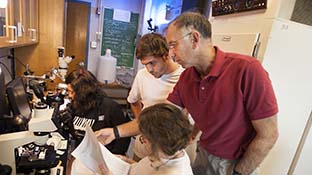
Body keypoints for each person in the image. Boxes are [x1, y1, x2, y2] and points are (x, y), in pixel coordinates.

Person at [165, 12, 279, 175]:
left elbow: (269, 135)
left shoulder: (247, 70)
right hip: (203, 154)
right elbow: (165, 113)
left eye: (173, 45)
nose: (171, 54)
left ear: (195, 39)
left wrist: (238, 173)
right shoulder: (187, 77)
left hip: (237, 164)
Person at [96, 33, 186, 159]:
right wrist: (144, 125)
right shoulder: (142, 75)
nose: (149, 69)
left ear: (166, 55)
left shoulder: (185, 77)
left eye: (152, 63)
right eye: (145, 64)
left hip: (171, 149)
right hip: (144, 144)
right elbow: (133, 101)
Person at [72, 103, 194, 175]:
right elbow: (147, 169)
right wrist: (126, 161)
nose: (142, 140)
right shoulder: (165, 154)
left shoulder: (175, 172)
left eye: (143, 138)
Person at [64, 69, 130, 155]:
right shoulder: (75, 105)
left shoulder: (110, 108)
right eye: (68, 91)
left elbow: (122, 142)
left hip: (104, 156)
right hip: (81, 154)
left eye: (72, 92)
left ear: (83, 93)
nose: (69, 96)